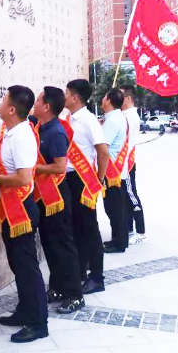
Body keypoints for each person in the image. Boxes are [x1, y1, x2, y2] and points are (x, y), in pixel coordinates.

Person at [0, 86, 49, 343]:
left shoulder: (21, 136)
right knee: (17, 265)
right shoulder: (10, 127)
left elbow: (23, 178)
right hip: (12, 209)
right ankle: (24, 310)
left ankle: (38, 323)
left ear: (12, 109)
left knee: (27, 267)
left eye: (2, 101)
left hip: (21, 209)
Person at [29, 87, 85, 314]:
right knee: (49, 244)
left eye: (38, 100)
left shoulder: (55, 132)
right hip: (43, 196)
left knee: (63, 245)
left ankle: (75, 294)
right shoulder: (39, 126)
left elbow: (60, 166)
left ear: (47, 106)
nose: (35, 103)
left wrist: (32, 167)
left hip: (56, 197)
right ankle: (58, 288)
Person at [64, 80, 109, 294]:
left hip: (84, 181)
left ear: (75, 97)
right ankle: (80, 271)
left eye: (67, 93)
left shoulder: (89, 120)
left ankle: (97, 278)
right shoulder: (68, 118)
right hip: (69, 179)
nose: (64, 96)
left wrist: (99, 179)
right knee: (76, 228)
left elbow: (103, 151)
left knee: (89, 229)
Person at [100, 89, 129, 254]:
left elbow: (103, 148)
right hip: (116, 170)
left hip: (111, 171)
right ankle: (118, 239)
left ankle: (119, 243)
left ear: (109, 100)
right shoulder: (116, 117)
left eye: (104, 97)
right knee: (115, 208)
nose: (102, 99)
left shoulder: (112, 121)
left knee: (114, 209)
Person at [120, 85, 147, 245]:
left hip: (126, 163)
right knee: (125, 197)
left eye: (121, 96)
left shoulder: (131, 117)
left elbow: (127, 142)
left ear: (128, 98)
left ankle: (141, 232)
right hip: (121, 163)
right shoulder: (123, 115)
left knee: (131, 196)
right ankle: (129, 230)